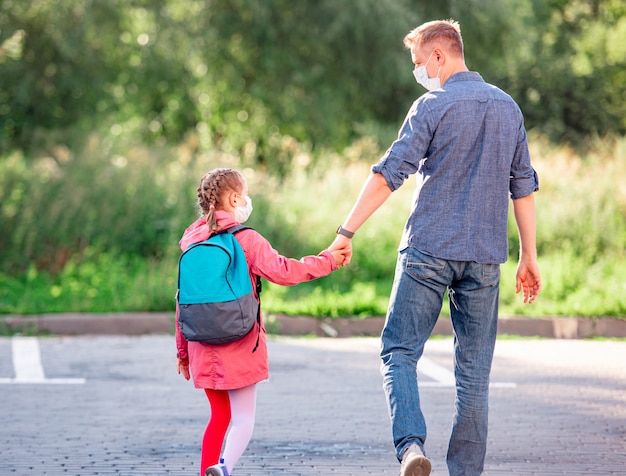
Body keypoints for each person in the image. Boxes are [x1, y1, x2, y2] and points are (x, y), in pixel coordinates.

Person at [329, 19, 541, 476]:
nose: (419, 72)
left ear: (440, 56)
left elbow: (389, 173)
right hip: (485, 256)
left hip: (428, 249)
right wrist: (528, 255)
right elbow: (522, 186)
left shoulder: (432, 105)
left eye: (419, 63)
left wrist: (345, 233)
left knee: (399, 351)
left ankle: (410, 448)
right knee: (474, 374)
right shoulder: (508, 108)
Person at [176, 167, 346, 476]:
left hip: (200, 341)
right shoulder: (247, 239)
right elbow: (284, 271)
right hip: (239, 343)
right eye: (246, 193)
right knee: (243, 419)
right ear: (235, 197)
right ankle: (224, 469)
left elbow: (182, 301)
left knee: (218, 417)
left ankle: (207, 472)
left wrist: (183, 353)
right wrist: (328, 261)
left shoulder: (191, 241)